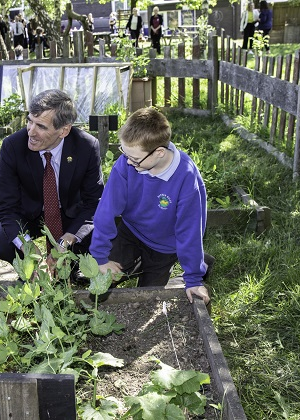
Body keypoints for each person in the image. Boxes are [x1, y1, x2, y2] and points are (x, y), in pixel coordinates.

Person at [89, 107, 211, 305]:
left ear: (159, 152)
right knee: (98, 286)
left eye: (135, 158)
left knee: (146, 299)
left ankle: (201, 263)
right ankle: (133, 264)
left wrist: (194, 279)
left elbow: (189, 231)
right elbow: (106, 210)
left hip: (165, 246)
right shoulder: (126, 164)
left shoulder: (186, 178)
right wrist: (101, 258)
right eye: (124, 153)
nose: (128, 161)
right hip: (132, 231)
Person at [0, 89, 104, 269]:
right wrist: (27, 247)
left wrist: (69, 238)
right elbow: (6, 206)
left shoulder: (86, 147)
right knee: (3, 242)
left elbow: (94, 202)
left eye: (41, 127)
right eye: (30, 121)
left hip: (69, 213)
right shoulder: (12, 146)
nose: (31, 132)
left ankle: (72, 269)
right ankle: (29, 270)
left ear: (64, 130)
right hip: (29, 214)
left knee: (97, 235)